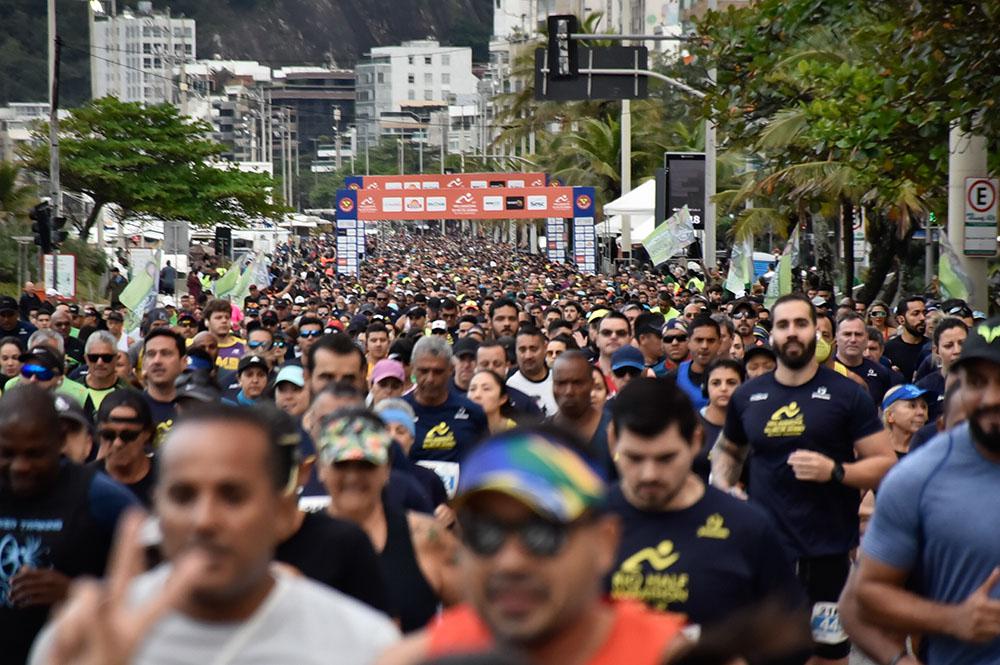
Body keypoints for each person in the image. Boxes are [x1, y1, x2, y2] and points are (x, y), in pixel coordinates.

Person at [30, 401, 400, 665]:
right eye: (183, 495)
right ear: (157, 506)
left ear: (277, 505)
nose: (205, 520)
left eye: (233, 495)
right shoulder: (80, 641)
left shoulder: (363, 645)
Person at [379, 428, 689, 665]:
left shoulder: (669, 658)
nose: (511, 562)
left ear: (605, 542)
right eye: (485, 534)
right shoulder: (419, 659)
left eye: (543, 533)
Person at [711, 294, 896, 664]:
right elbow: (728, 451)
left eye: (800, 323)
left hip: (827, 554)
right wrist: (724, 485)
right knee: (763, 654)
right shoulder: (748, 396)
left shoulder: (848, 394)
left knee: (827, 657)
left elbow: (886, 463)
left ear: (816, 331)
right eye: (783, 325)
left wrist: (837, 471)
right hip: (766, 553)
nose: (792, 333)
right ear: (773, 335)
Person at [848, 318, 1000, 665]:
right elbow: (861, 598)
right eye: (977, 382)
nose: (992, 397)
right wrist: (951, 619)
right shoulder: (916, 478)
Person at [606, 378, 806, 633]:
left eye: (666, 458)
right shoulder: (584, 521)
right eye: (634, 457)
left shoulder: (746, 526)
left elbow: (790, 629)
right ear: (613, 440)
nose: (649, 474)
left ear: (696, 441)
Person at [0, 384, 137, 664]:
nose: (20, 466)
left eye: (34, 454)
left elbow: (156, 586)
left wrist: (75, 592)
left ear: (59, 441)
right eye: (7, 453)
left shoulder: (100, 496)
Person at [318, 408, 461, 632]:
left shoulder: (427, 539)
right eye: (341, 464)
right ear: (321, 469)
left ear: (386, 470)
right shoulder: (298, 541)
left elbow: (477, 625)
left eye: (366, 464)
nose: (353, 476)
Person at [404, 336, 488, 486]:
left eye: (438, 372)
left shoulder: (472, 412)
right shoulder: (399, 412)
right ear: (413, 369)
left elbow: (483, 462)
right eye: (424, 371)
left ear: (450, 370)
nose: (430, 379)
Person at [551, 351, 613, 477]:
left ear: (591, 384)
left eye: (577, 383)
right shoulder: (541, 435)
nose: (569, 391)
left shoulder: (615, 429)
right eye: (561, 383)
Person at [92, 389, 158, 507]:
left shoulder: (165, 479)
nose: (118, 443)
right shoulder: (85, 482)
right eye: (108, 435)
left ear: (147, 434)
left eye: (128, 436)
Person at [697, 359, 745, 483]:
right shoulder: (690, 423)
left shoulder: (750, 423)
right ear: (705, 387)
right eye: (716, 383)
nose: (723, 388)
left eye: (731, 382)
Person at [835, 312, 893, 406]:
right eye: (847, 334)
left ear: (866, 338)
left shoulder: (880, 372)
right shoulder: (825, 368)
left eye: (858, 334)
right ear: (836, 337)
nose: (853, 339)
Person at [915, 317, 967, 421]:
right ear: (936, 351)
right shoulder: (923, 388)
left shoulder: (988, 382)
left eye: (962, 343)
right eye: (948, 346)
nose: (957, 350)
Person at [668, 315, 723, 411]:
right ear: (688, 342)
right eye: (699, 340)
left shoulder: (735, 376)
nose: (704, 346)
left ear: (719, 343)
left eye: (710, 341)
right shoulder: (673, 379)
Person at [81, 330, 134, 419]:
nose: (100, 362)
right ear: (86, 359)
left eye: (106, 358)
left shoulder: (129, 393)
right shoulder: (73, 390)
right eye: (93, 357)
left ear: (116, 359)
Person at [141, 328, 185, 434]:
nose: (157, 361)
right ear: (143, 363)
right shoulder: (132, 409)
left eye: (166, 353)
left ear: (183, 362)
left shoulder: (201, 411)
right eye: (151, 354)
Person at [506, 327, 558, 416]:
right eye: (522, 350)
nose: (528, 356)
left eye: (533, 349)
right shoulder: (511, 387)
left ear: (545, 348)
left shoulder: (560, 380)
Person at [883, 296, 928, 381]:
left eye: (924, 313)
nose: (922, 318)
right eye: (916, 313)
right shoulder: (888, 349)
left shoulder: (933, 347)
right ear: (901, 320)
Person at [880, 384, 929, 458]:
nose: (921, 412)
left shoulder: (930, 451)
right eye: (912, 406)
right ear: (890, 415)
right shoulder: (873, 452)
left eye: (924, 407)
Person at [468, 369, 519, 434]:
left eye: (486, 389)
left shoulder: (514, 432)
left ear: (502, 398)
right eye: (472, 389)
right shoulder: (461, 427)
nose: (477, 395)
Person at [203, 298, 246, 372]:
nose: (224, 321)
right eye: (218, 318)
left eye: (227, 317)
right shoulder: (194, 345)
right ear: (207, 321)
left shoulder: (244, 346)